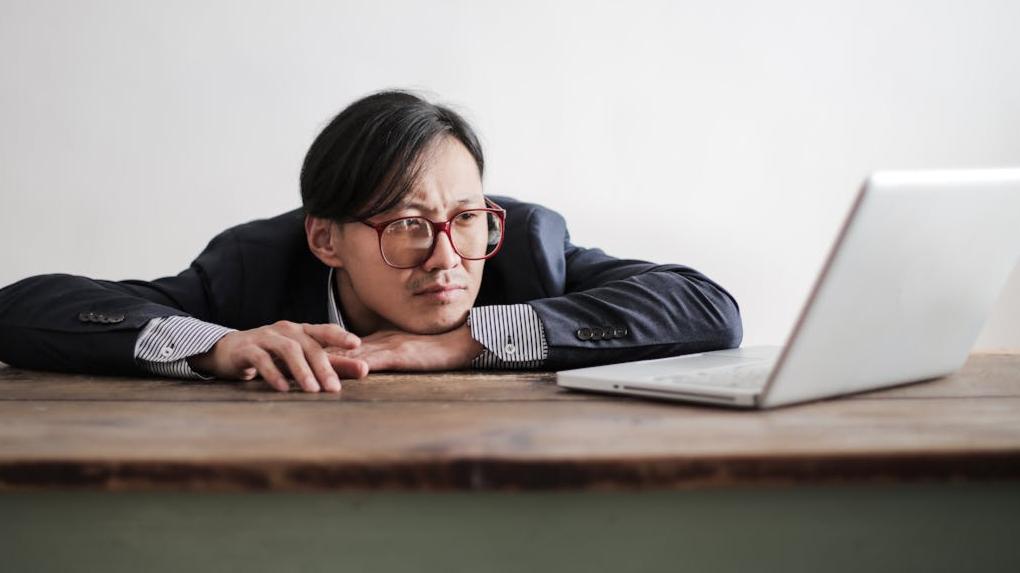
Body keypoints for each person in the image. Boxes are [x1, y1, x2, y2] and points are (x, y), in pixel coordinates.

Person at [0, 90, 742, 392]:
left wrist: (468, 341)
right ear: (325, 238)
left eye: (466, 217)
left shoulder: (524, 246)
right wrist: (212, 346)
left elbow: (709, 307)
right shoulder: (254, 267)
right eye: (409, 227)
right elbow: (22, 310)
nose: (450, 257)